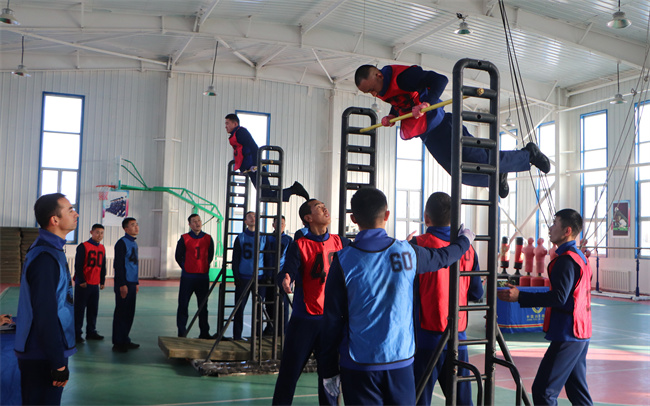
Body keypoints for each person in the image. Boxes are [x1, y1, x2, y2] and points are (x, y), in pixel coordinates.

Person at [320, 187, 475, 405]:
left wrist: (328, 369)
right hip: (400, 362)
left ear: (353, 218)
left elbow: (331, 321)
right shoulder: (408, 252)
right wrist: (464, 240)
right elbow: (444, 257)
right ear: (387, 215)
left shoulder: (343, 261)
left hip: (358, 364)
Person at [354, 65, 551, 198]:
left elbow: (440, 80)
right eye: (368, 93)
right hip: (428, 136)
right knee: (460, 174)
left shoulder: (404, 76)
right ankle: (496, 177)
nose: (374, 94)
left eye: (372, 89)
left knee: (480, 158)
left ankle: (529, 154)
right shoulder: (383, 89)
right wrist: (392, 115)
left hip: (443, 126)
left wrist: (427, 103)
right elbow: (401, 100)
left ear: (379, 75)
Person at [497, 209, 593, 406]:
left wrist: (520, 296)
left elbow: (559, 297)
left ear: (567, 231)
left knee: (543, 391)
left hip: (569, 333)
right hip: (581, 331)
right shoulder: (580, 257)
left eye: (554, 223)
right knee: (577, 392)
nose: (550, 228)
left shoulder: (566, 260)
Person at [272, 199, 350, 405]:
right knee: (289, 374)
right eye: (318, 207)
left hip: (331, 322)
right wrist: (285, 278)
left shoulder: (341, 243)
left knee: (330, 377)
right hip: (304, 321)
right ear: (308, 218)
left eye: (324, 205)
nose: (325, 208)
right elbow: (287, 269)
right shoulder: (299, 245)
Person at [411, 192, 483, 406]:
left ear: (426, 218)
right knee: (462, 401)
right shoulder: (468, 249)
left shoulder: (418, 244)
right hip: (458, 338)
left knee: (419, 399)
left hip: (425, 339)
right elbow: (477, 293)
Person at [14, 193, 78, 405]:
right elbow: (45, 314)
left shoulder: (51, 249)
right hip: (41, 354)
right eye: (70, 210)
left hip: (44, 350)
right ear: (55, 220)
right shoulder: (45, 257)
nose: (76, 214)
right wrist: (57, 362)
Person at [225, 113, 310, 202]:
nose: (226, 126)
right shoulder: (235, 135)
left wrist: (255, 164)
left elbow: (252, 148)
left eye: (227, 123)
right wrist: (243, 169)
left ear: (235, 124)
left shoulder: (241, 132)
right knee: (264, 195)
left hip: (255, 168)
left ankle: (294, 189)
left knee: (266, 195)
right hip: (251, 169)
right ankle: (294, 189)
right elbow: (240, 154)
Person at [175, 214, 215, 339]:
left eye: (199, 221)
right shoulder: (184, 238)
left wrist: (203, 266)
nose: (197, 223)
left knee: (203, 306)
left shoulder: (208, 238)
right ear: (189, 224)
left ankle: (204, 332)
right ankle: (182, 332)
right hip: (188, 277)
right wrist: (186, 267)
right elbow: (178, 256)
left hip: (202, 277)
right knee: (183, 305)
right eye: (194, 221)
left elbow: (210, 256)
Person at [232, 211, 266, 341]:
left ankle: (257, 336)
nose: (253, 218)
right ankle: (237, 336)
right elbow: (235, 259)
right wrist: (236, 276)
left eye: (255, 216)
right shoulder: (240, 238)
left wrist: (267, 275)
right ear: (245, 221)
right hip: (243, 277)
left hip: (260, 278)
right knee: (239, 308)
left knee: (258, 308)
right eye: (250, 217)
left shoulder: (264, 237)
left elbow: (268, 258)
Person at [74, 223, 107, 343]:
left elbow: (103, 265)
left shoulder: (102, 248)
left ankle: (91, 332)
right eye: (97, 232)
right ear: (91, 232)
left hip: (95, 284)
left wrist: (102, 280)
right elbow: (78, 265)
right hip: (84, 284)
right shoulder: (83, 246)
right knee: (79, 310)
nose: (99, 235)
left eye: (102, 233)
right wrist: (81, 280)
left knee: (93, 310)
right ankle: (76, 333)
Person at [112, 217, 141, 353]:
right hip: (124, 283)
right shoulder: (121, 243)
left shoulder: (134, 243)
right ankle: (118, 342)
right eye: (132, 225)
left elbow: (133, 265)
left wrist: (136, 282)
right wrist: (122, 284)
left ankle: (125, 338)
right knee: (121, 313)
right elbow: (118, 265)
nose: (136, 227)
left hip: (132, 282)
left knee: (129, 313)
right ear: (126, 229)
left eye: (136, 224)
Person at [263, 215, 292, 336]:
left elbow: (290, 259)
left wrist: (289, 276)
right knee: (269, 303)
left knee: (283, 304)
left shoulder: (288, 240)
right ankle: (270, 327)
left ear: (285, 225)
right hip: (268, 275)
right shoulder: (267, 238)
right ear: (273, 225)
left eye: (282, 223)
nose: (280, 225)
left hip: (282, 275)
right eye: (277, 223)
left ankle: (282, 330)